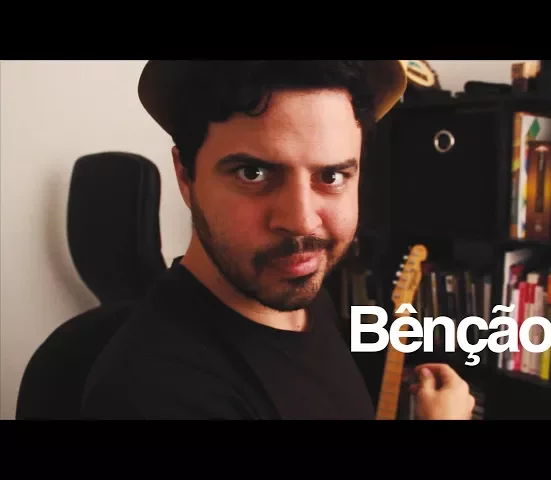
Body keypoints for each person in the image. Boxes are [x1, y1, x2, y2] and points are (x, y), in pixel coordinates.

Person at [80, 60, 475, 420]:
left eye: (332, 176)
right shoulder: (157, 395)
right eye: (253, 173)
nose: (302, 222)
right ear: (186, 176)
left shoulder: (302, 294)